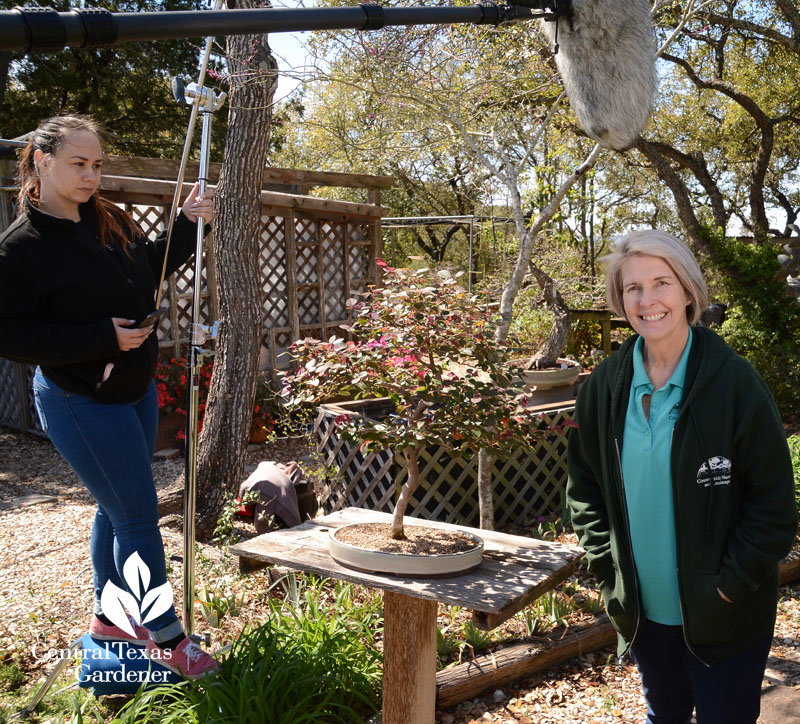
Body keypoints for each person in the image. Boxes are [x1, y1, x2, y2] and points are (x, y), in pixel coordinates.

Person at [0, 115, 218, 679]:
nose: (92, 175)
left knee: (115, 508)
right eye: (79, 163)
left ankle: (110, 617)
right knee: (140, 517)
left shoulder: (107, 219)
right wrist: (102, 338)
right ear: (41, 161)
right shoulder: (21, 248)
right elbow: (11, 335)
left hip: (135, 389)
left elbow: (149, 268)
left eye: (97, 164)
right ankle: (167, 640)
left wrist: (190, 225)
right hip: (80, 398)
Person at [567, 230, 798, 724]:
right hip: (647, 615)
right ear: (619, 298)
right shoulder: (604, 387)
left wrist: (729, 585)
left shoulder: (736, 385)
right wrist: (609, 569)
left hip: (726, 615)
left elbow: (774, 507)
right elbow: (584, 487)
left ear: (689, 290)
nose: (647, 300)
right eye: (633, 288)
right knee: (664, 717)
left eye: (661, 283)